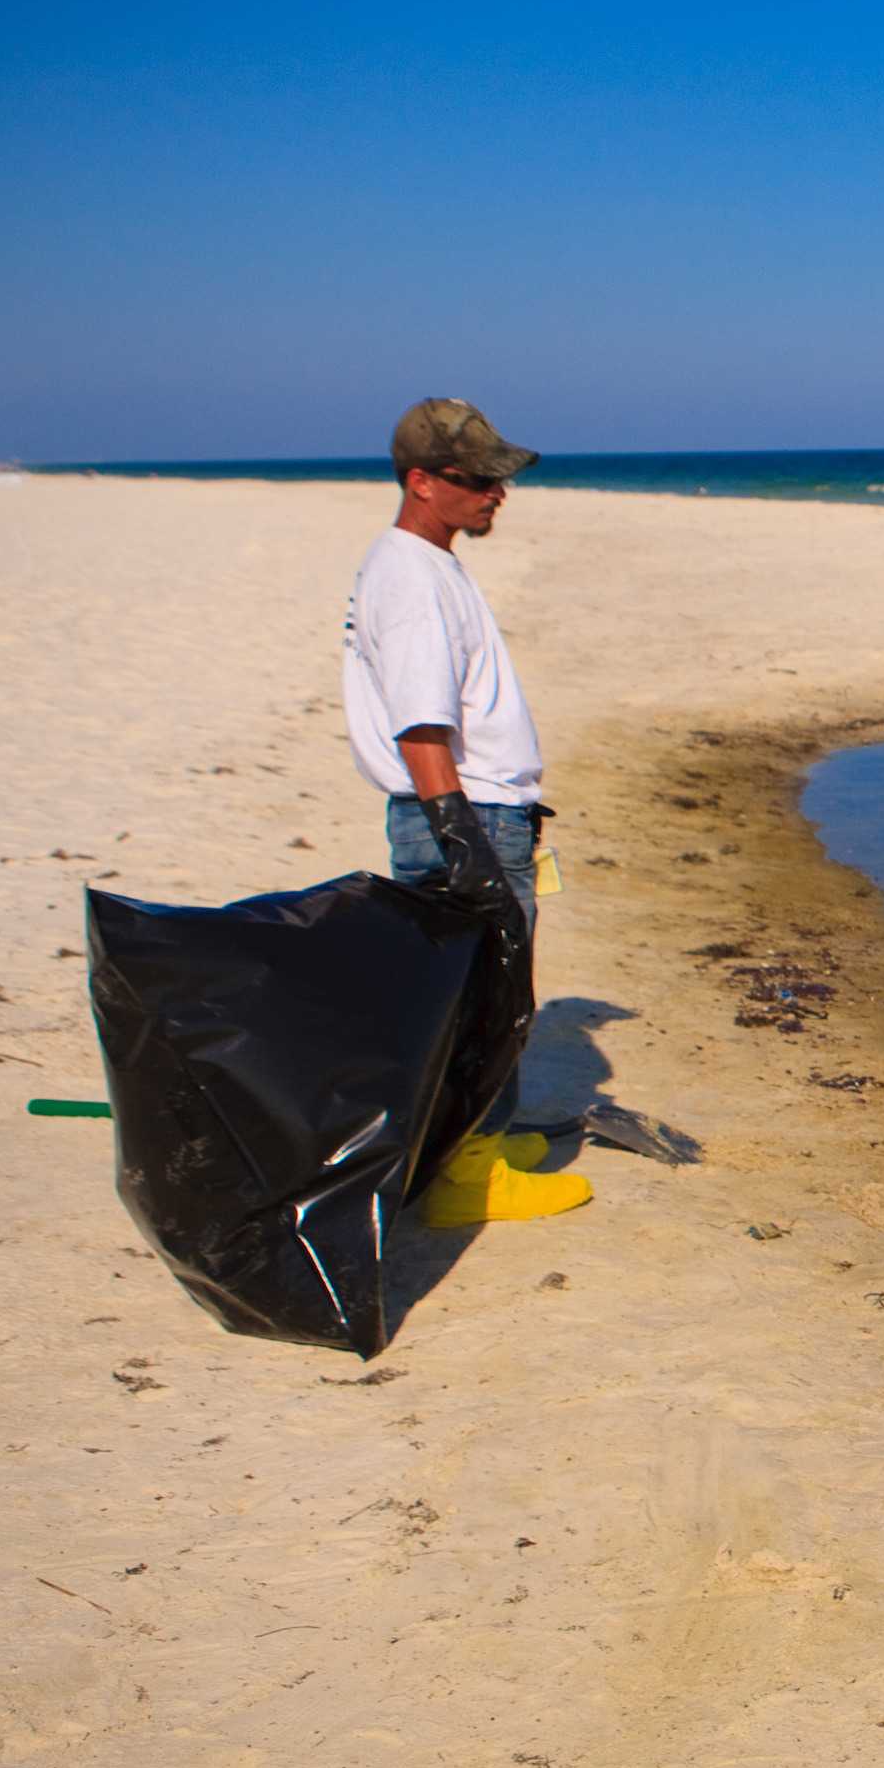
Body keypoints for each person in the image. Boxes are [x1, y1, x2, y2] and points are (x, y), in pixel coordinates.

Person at [341, 397, 591, 1226]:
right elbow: (421, 725)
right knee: (482, 1002)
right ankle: (468, 1180)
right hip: (464, 815)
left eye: (499, 478)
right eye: (479, 479)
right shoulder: (412, 579)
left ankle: (477, 1141)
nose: (497, 493)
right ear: (422, 481)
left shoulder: (428, 562)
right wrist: (463, 842)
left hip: (474, 813)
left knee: (490, 992)